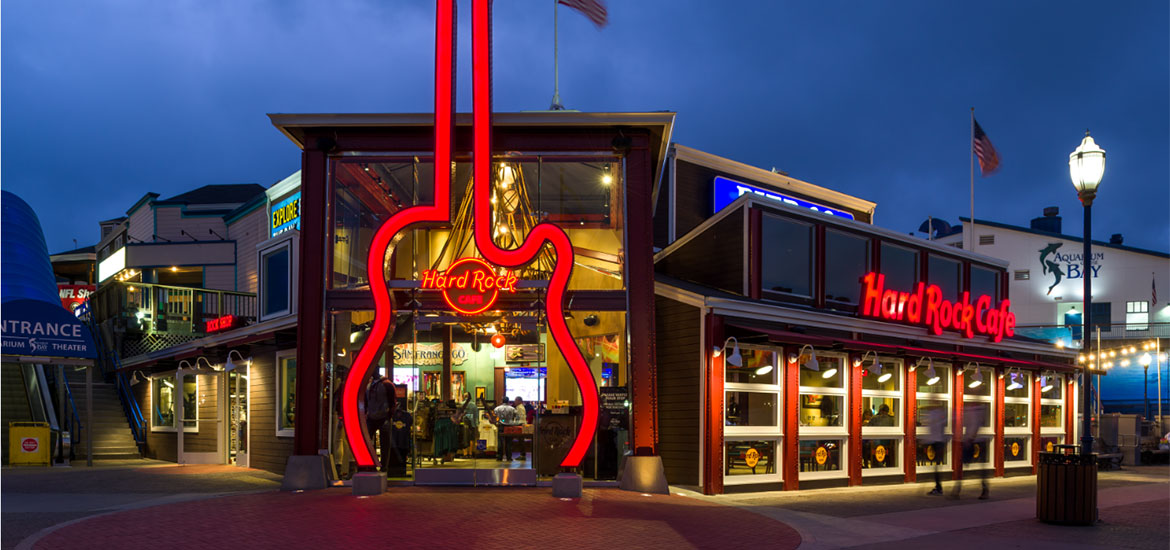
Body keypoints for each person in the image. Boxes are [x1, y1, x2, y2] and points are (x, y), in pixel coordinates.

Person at [952, 402, 990, 500]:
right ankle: (958, 490)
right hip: (973, 440)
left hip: (974, 441)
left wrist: (969, 439)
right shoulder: (975, 410)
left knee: (965, 465)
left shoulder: (977, 410)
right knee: (975, 467)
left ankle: (957, 490)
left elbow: (975, 425)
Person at [365, 372, 396, 473]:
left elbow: (392, 402)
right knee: (373, 442)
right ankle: (373, 464)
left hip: (382, 417)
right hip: (374, 416)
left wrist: (389, 415)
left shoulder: (385, 384)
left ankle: (383, 466)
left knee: (384, 443)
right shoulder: (370, 385)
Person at [924, 405, 947, 495]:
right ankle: (938, 487)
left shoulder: (936, 414)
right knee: (936, 465)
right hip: (937, 442)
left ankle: (939, 488)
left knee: (937, 465)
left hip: (938, 442)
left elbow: (935, 428)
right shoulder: (936, 413)